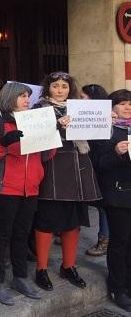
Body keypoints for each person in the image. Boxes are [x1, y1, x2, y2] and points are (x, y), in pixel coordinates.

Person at [0, 82, 56, 306]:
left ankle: (20, 277)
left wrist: (52, 137)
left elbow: (46, 156)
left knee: (22, 235)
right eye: (22, 96)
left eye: (27, 97)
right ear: (10, 97)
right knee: (2, 236)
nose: (26, 100)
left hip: (30, 187)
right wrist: (3, 143)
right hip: (4, 188)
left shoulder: (33, 120)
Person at [32, 72, 101, 291]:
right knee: (46, 220)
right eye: (55, 86)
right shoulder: (39, 109)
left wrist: (106, 121)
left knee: (73, 221)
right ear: (48, 88)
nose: (60, 90)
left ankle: (68, 266)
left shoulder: (80, 108)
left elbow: (95, 134)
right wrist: (57, 126)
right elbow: (35, 139)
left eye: (64, 86)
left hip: (78, 169)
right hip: (51, 168)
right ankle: (41, 269)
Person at [90, 89, 131, 311]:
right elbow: (98, 164)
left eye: (130, 104)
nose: (128, 107)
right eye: (123, 103)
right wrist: (115, 152)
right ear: (112, 107)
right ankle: (118, 287)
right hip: (117, 194)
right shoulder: (105, 129)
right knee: (120, 242)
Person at [81, 83, 111, 257]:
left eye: (83, 97)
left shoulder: (104, 116)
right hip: (89, 163)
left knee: (103, 205)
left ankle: (104, 240)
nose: (80, 99)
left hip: (101, 165)